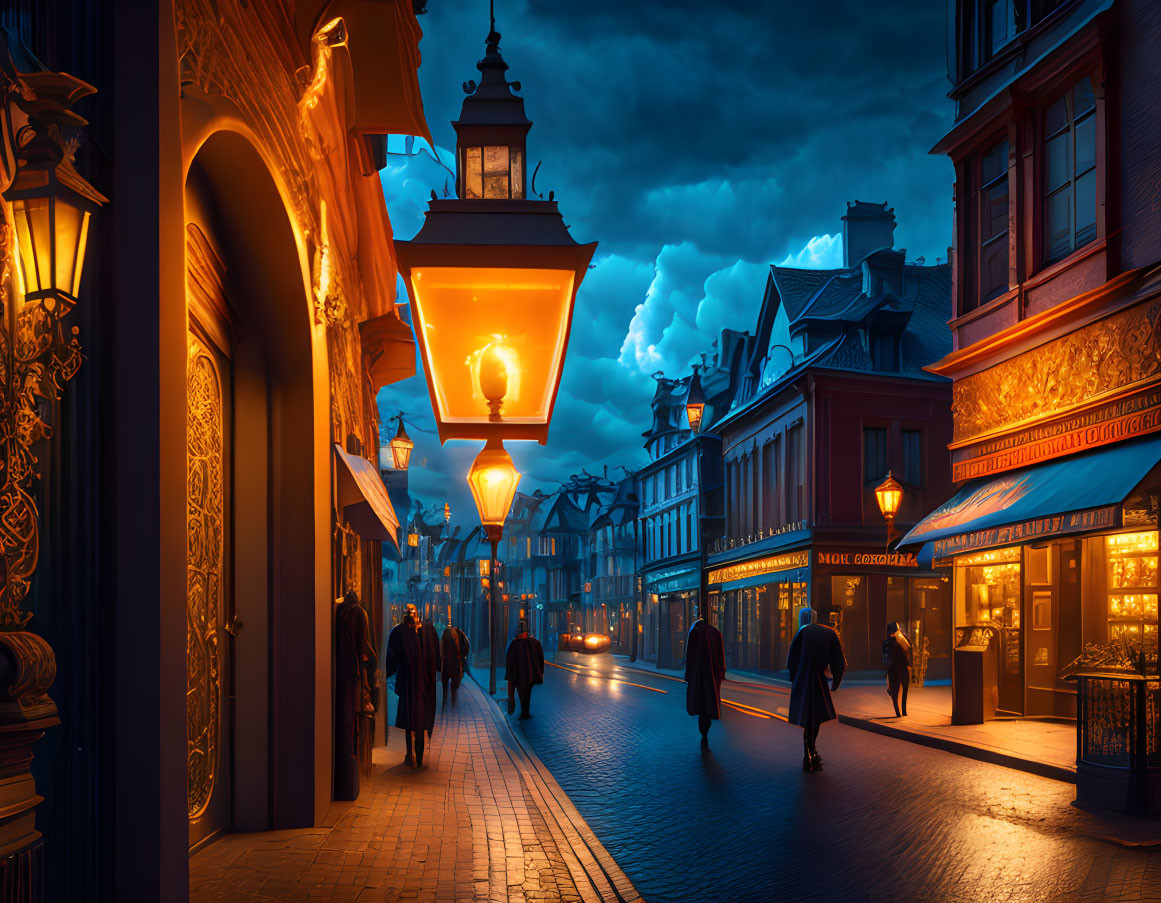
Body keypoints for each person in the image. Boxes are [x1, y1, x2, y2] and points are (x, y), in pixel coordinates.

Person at [787, 607, 846, 773]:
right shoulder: (829, 633)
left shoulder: (801, 632)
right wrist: (835, 684)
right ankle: (811, 752)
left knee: (807, 718)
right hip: (819, 680)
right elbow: (840, 662)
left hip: (803, 680)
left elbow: (791, 659)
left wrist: (794, 679)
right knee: (816, 718)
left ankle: (809, 754)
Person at [385, 603, 437, 767]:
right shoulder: (404, 633)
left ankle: (415, 755)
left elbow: (392, 659)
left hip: (418, 683)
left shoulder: (410, 632)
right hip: (414, 683)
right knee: (413, 720)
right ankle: (411, 754)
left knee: (414, 720)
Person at [684, 610, 725, 743]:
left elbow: (689, 657)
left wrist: (688, 675)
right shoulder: (715, 634)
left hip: (697, 676)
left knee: (700, 703)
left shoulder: (695, 634)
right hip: (712, 676)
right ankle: (706, 730)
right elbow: (720, 658)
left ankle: (703, 732)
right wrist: (721, 673)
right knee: (709, 703)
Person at [505, 619, 544, 719]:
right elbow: (540, 659)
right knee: (526, 693)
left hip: (517, 674)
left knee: (520, 692)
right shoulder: (534, 643)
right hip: (529, 674)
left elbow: (510, 661)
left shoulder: (514, 644)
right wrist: (539, 672)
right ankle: (525, 712)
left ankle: (521, 710)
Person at [882, 622, 912, 717]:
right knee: (900, 691)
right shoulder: (898, 641)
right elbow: (908, 650)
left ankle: (901, 712)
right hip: (899, 668)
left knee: (896, 691)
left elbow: (886, 658)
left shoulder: (889, 642)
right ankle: (901, 712)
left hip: (896, 669)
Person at [441, 621, 470, 707]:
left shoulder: (446, 633)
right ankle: (453, 702)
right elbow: (466, 645)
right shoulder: (460, 633)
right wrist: (462, 656)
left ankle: (444, 701)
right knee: (454, 683)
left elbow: (442, 648)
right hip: (456, 662)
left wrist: (442, 659)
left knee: (445, 683)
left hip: (447, 662)